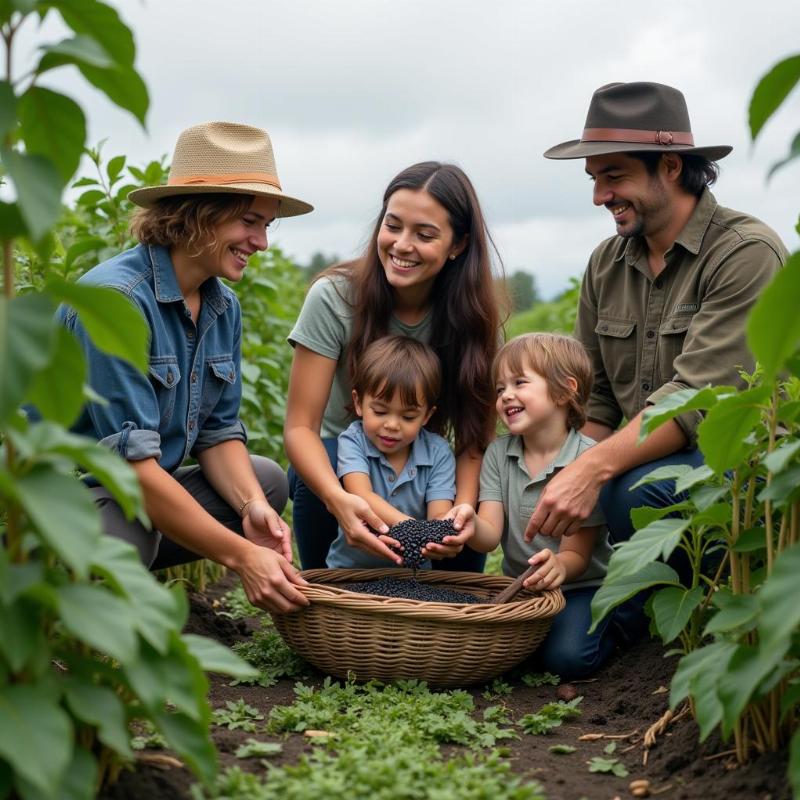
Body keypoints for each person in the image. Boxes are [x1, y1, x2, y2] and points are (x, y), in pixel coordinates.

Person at [531, 82, 787, 594]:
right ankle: (638, 607)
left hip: (743, 467)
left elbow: (694, 403)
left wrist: (590, 472)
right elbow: (595, 397)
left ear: (670, 166)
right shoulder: (607, 263)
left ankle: (711, 604)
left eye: (614, 176)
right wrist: (554, 472)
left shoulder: (744, 253)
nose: (599, 196)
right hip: (652, 454)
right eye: (594, 178)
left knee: (634, 494)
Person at [60, 121, 313, 613]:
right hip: (73, 497)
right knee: (124, 532)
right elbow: (130, 471)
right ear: (198, 216)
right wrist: (243, 557)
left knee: (266, 482)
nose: (261, 241)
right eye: (249, 221)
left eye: (267, 224)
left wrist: (250, 508)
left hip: (143, 491)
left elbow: (217, 433)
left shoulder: (223, 307)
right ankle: (80, 610)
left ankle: (140, 566)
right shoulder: (116, 302)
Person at [285, 161, 502, 570]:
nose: (402, 245)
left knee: (455, 541)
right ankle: (326, 587)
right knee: (323, 466)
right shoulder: (334, 298)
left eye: (425, 235)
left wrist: (460, 513)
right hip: (348, 467)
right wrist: (339, 499)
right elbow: (300, 428)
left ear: (458, 245)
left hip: (426, 470)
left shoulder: (474, 320)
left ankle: (445, 604)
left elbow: (474, 441)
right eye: (393, 225)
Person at [451, 333, 615, 679]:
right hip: (520, 587)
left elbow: (578, 555)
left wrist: (558, 564)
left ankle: (621, 618)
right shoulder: (498, 453)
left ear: (564, 390)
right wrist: (468, 521)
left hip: (579, 587)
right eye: (500, 389)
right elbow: (490, 535)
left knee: (569, 659)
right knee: (480, 652)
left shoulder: (587, 461)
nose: (506, 395)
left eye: (519, 382)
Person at [327, 335, 461, 569]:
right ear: (358, 403)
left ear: (427, 415)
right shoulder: (354, 439)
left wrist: (440, 535)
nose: (391, 425)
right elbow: (361, 495)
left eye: (408, 417)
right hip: (349, 571)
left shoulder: (438, 452)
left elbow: (439, 515)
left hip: (413, 575)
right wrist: (416, 529)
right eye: (380, 412)